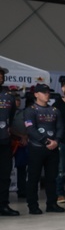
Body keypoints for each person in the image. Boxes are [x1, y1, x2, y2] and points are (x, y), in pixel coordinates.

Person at [21, 84, 64, 215]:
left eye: (48, 92)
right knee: (34, 178)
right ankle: (33, 206)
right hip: (37, 148)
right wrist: (45, 141)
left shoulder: (55, 110)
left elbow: (60, 128)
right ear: (36, 94)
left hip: (53, 149)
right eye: (43, 92)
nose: (47, 94)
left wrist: (56, 141)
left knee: (52, 178)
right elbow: (31, 129)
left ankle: (52, 204)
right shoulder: (31, 110)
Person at [0, 68, 21, 216]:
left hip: (4, 141)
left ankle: (3, 205)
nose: (0, 78)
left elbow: (11, 117)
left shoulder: (8, 97)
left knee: (4, 175)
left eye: (1, 76)